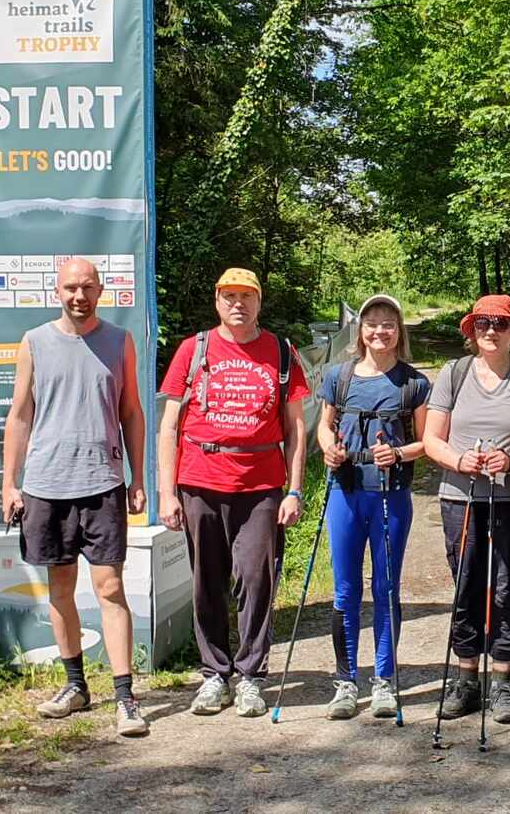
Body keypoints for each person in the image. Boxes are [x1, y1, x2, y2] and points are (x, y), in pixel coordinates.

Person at [0, 258, 149, 738]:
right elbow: (20, 414)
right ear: (56, 291)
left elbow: (131, 411)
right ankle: (75, 686)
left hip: (103, 482)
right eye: (70, 287)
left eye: (87, 286)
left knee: (110, 589)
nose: (79, 295)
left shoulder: (119, 341)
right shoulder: (34, 342)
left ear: (101, 290)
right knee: (60, 589)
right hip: (45, 486)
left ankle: (125, 698)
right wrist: (9, 482)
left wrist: (138, 477)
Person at [157, 268, 309, 718]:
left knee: (256, 579)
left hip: (261, 485)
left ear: (259, 301)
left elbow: (296, 428)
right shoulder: (193, 349)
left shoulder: (280, 352)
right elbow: (169, 426)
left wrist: (294, 490)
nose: (237, 304)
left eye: (246, 296)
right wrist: (167, 492)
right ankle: (213, 675)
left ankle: (251, 676)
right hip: (199, 480)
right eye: (229, 296)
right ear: (217, 301)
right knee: (207, 581)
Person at [423, 295, 510, 723]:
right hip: (461, 497)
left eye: (500, 324)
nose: (490, 331)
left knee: (507, 587)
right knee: (466, 585)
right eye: (481, 325)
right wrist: (459, 460)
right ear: (472, 332)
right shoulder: (454, 374)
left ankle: (504, 681)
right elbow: (432, 439)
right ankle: (466, 677)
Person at [316, 294, 430, 720]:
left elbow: (428, 442)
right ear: (360, 330)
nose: (379, 331)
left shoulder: (413, 383)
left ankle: (384, 681)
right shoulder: (339, 377)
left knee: (385, 588)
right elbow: (325, 428)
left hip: (390, 494)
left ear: (399, 331)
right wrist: (330, 451)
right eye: (372, 323)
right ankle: (346, 682)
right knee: (345, 590)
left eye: (388, 324)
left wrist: (399, 454)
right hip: (345, 492)